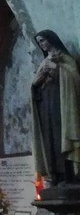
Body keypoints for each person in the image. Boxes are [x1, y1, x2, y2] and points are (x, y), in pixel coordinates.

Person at [31, 30, 80, 186]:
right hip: (46, 105)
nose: (42, 44)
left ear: (51, 40)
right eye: (39, 42)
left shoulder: (65, 59)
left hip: (62, 104)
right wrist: (37, 82)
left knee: (61, 137)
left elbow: (75, 79)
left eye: (43, 40)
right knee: (50, 139)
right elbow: (35, 85)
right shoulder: (44, 62)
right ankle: (55, 175)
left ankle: (68, 176)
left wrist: (58, 70)